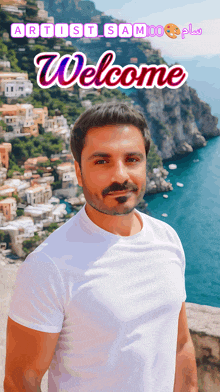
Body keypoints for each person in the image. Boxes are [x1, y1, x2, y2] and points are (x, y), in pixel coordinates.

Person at [4, 102, 198, 392]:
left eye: (132, 159)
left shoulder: (167, 239)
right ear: (79, 172)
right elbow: (21, 380)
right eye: (102, 161)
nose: (120, 175)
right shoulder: (48, 265)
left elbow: (180, 344)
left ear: (146, 163)